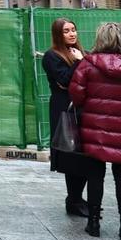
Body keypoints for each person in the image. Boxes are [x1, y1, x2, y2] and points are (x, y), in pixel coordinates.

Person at [68, 22, 121, 240]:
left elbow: (76, 95)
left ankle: (94, 223)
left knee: (95, 174)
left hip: (94, 127)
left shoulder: (87, 65)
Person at [42, 18, 91, 218]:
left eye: (73, 29)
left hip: (82, 107)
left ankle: (78, 198)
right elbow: (65, 80)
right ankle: (74, 199)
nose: (72, 34)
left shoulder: (80, 53)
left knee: (84, 155)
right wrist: (80, 63)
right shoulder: (52, 56)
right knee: (71, 155)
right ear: (58, 35)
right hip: (65, 108)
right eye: (66, 31)